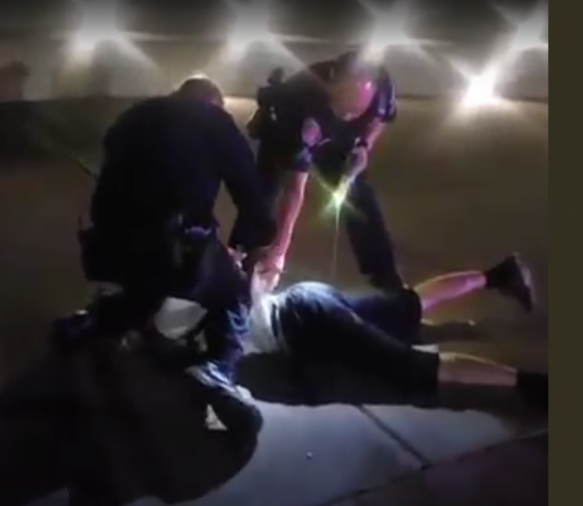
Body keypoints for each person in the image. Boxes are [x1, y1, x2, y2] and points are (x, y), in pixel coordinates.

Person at [79, 76, 277, 407]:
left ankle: (107, 330)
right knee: (235, 294)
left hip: (104, 248)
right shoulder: (215, 120)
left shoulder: (133, 116)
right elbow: (253, 199)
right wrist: (245, 249)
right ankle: (217, 370)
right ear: (214, 102)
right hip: (171, 252)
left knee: (139, 290)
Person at [240, 253, 547, 404]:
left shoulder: (207, 306)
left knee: (410, 367)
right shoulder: (211, 272)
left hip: (305, 321)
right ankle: (499, 275)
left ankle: (534, 384)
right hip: (304, 298)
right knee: (408, 305)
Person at [230, 50, 405, 291]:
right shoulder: (301, 101)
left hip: (340, 141)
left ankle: (385, 278)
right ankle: (240, 259)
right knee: (264, 192)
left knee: (359, 196)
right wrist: (280, 250)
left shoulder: (380, 84)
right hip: (282, 132)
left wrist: (364, 146)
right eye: (344, 109)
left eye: (356, 112)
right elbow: (294, 189)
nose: (348, 116)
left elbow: (379, 119)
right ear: (331, 84)